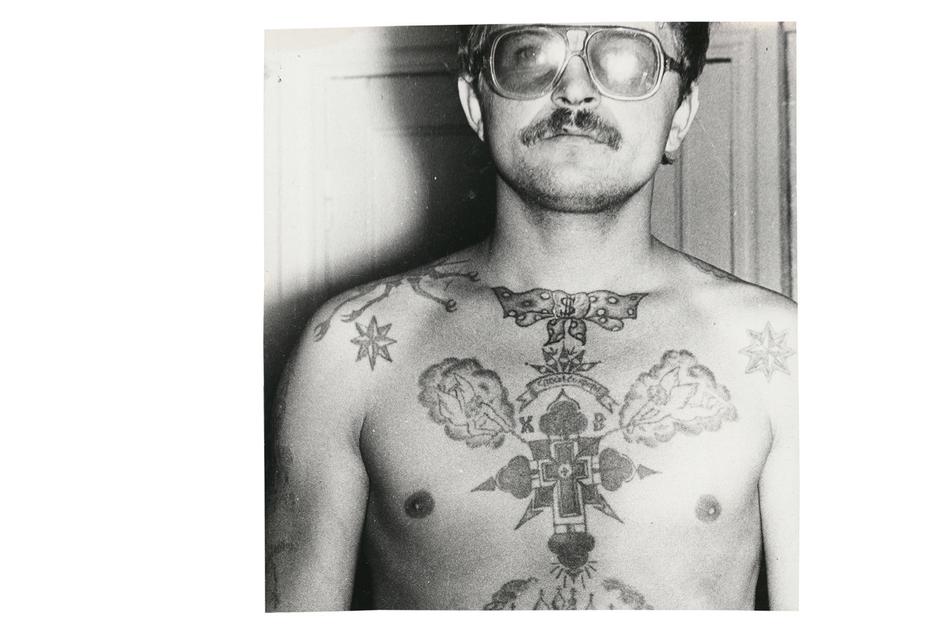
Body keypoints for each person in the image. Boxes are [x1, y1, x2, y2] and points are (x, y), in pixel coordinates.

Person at [266, 21, 798, 611]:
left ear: (679, 116)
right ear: (476, 103)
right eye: (528, 54)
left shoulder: (780, 354)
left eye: (626, 59)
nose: (575, 89)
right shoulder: (350, 349)